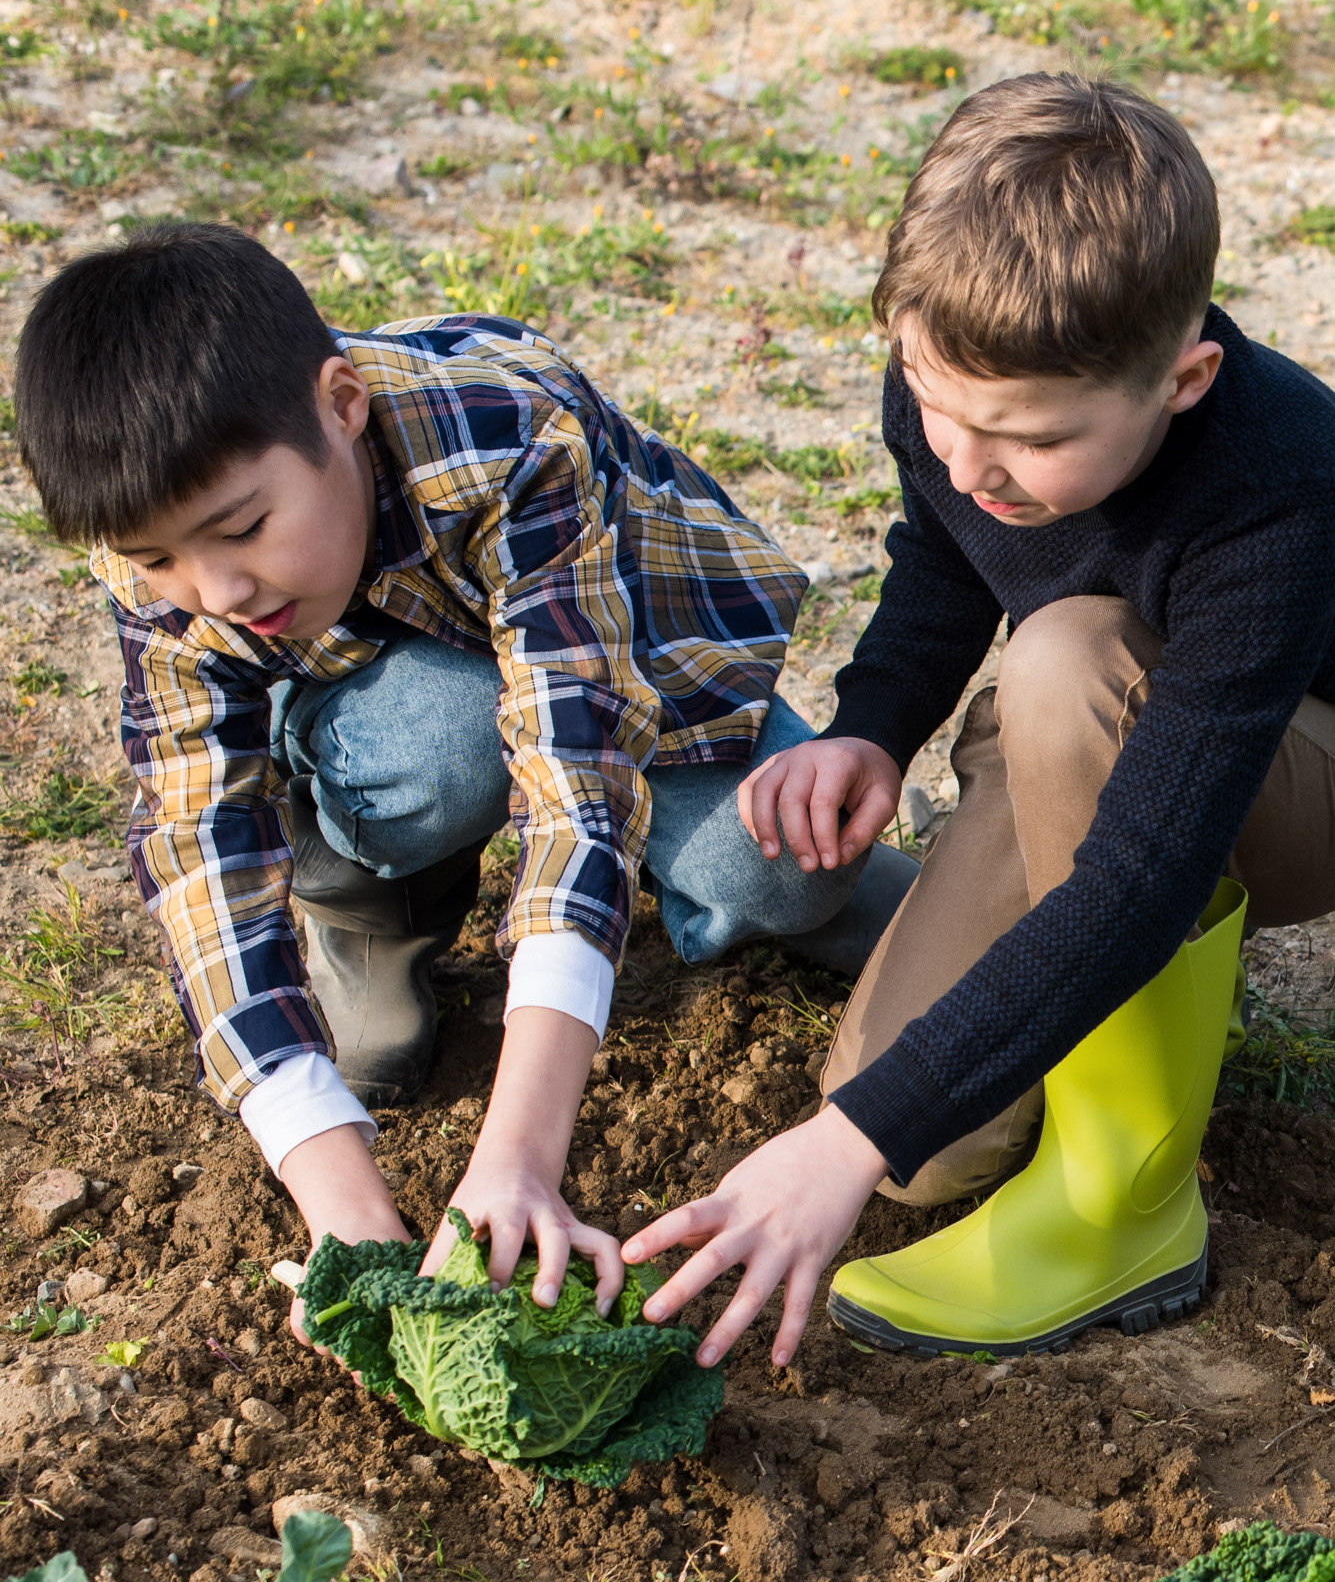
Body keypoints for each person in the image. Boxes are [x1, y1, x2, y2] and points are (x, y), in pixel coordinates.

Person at [13, 224, 916, 1311]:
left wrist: (520, 1156)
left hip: (617, 666)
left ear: (342, 406)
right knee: (442, 739)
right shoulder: (165, 549)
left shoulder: (508, 435)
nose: (217, 591)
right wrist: (340, 1201)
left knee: (777, 869)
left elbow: (575, 765)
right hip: (388, 716)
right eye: (161, 560)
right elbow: (200, 846)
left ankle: (935, 920)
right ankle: (370, 897)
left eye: (244, 529)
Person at [625, 70, 1335, 1366]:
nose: (963, 461)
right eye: (933, 407)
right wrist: (871, 727)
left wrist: (838, 1149)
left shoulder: (1275, 489)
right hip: (1107, 734)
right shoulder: (958, 372)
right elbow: (946, 552)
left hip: (1288, 772)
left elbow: (1136, 879)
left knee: (1063, 661)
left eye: (1025, 439)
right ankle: (1105, 1030)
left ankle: (1127, 1206)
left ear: (1182, 381)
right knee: (915, 1145)